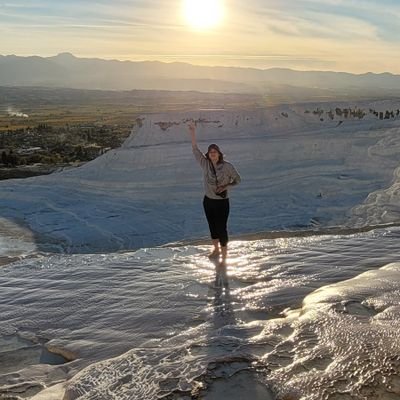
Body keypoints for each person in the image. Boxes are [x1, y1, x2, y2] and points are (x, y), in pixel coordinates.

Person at [188, 121, 241, 262]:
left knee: (222, 228)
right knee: (212, 226)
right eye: (210, 152)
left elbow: (238, 180)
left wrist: (225, 187)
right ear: (208, 154)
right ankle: (216, 250)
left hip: (222, 203)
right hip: (208, 201)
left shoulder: (227, 166)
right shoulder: (205, 164)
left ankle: (224, 256)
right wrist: (192, 131)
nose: (212, 154)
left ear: (219, 154)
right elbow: (194, 149)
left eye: (214, 152)